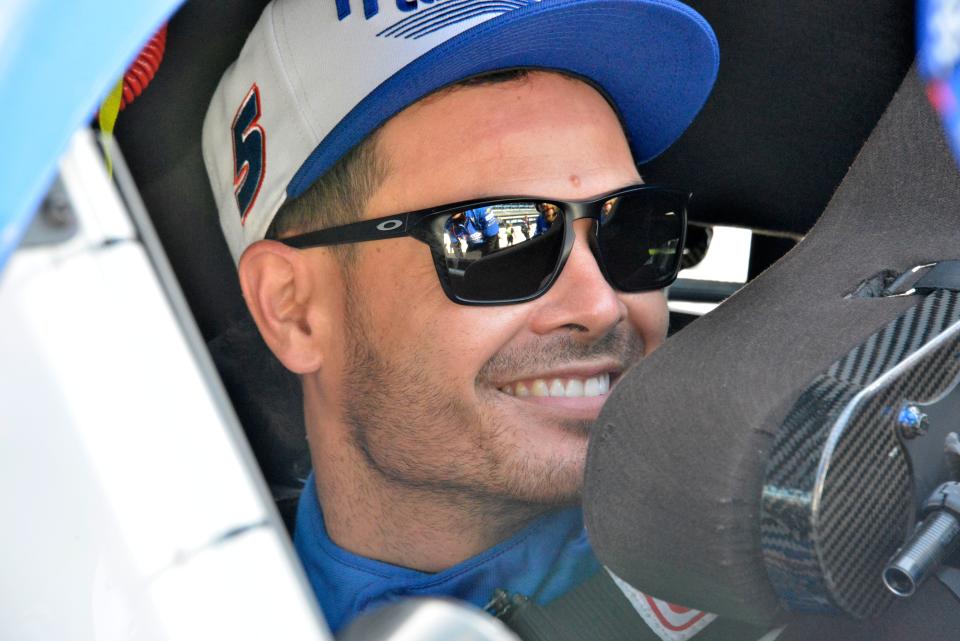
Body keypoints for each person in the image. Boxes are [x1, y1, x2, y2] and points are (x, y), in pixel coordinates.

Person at [201, 0, 717, 633]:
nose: (600, 304)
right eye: (499, 237)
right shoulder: (158, 606)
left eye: (633, 230)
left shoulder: (798, 574)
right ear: (295, 310)